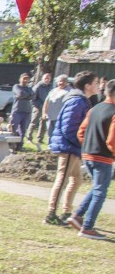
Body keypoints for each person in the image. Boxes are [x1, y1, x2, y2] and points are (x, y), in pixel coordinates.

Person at [45, 70, 99, 225]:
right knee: (62, 179)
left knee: (77, 180)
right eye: (95, 83)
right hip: (68, 146)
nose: (98, 87)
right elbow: (69, 127)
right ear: (87, 85)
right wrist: (81, 143)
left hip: (74, 147)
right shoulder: (77, 101)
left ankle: (66, 212)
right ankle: (51, 214)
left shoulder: (82, 101)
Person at [67, 79, 114, 239]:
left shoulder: (95, 108)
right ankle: (87, 227)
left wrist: (87, 146)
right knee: (101, 191)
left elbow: (81, 130)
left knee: (96, 188)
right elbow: (111, 140)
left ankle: (77, 216)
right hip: (103, 157)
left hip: (88, 154)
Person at [39, 75, 72, 149]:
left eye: (63, 81)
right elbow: (46, 102)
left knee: (59, 133)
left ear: (66, 82)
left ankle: (58, 147)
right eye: (60, 81)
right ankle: (50, 146)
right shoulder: (53, 90)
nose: (61, 83)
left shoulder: (69, 91)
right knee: (50, 132)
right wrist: (44, 113)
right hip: (50, 115)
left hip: (61, 117)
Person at [9, 73, 34, 152]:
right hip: (17, 111)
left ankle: (20, 146)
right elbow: (19, 93)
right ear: (20, 79)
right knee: (13, 128)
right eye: (24, 78)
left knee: (23, 130)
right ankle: (11, 146)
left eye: (27, 79)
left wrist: (24, 95)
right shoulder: (16, 86)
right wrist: (27, 95)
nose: (25, 80)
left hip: (27, 112)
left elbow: (33, 96)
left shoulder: (29, 88)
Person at [27, 72, 53, 145]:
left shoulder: (51, 87)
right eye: (45, 78)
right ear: (42, 79)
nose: (47, 79)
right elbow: (32, 98)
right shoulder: (38, 86)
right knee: (33, 122)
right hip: (38, 107)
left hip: (46, 108)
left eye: (48, 78)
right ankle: (29, 138)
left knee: (43, 124)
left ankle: (40, 139)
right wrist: (39, 105)